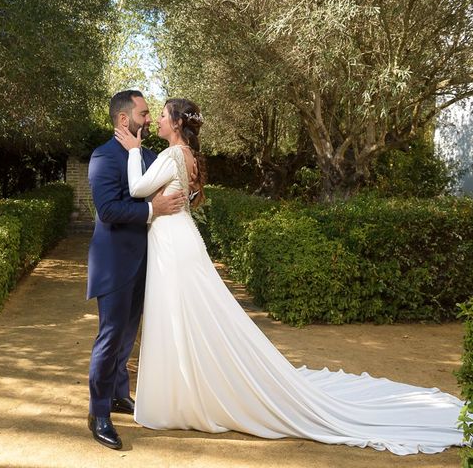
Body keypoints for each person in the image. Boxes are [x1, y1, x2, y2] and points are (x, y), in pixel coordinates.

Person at [112, 97, 465, 455]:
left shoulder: (172, 155)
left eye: (161, 115)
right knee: (189, 315)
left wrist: (132, 151)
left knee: (177, 314)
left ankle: (179, 397)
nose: (156, 118)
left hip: (172, 242)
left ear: (176, 122)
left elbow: (137, 190)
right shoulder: (185, 155)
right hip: (181, 238)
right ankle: (185, 391)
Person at [86, 90, 187, 450]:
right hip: (114, 263)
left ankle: (117, 394)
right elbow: (109, 209)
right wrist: (152, 210)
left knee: (129, 336)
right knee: (110, 337)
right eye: (144, 113)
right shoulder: (102, 156)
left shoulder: (146, 154)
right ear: (124, 119)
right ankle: (98, 413)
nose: (148, 119)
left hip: (146, 262)